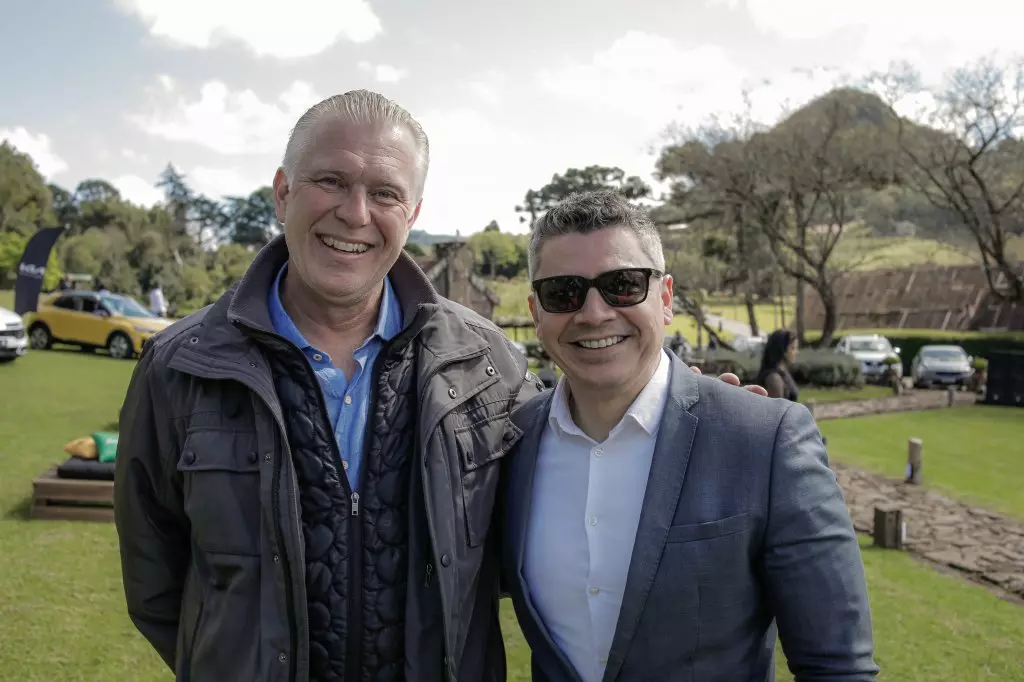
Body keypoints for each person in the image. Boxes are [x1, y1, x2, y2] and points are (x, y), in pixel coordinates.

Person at [113, 90, 759, 682]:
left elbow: (583, 464)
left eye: (385, 192)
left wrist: (684, 416)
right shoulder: (181, 366)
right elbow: (157, 584)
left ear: (412, 211)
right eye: (330, 180)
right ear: (282, 192)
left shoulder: (487, 363)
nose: (355, 213)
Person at [500, 190, 877, 681]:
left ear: (666, 298)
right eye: (563, 292)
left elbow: (837, 666)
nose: (593, 313)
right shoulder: (509, 444)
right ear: (536, 311)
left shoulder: (765, 439)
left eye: (623, 284)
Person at [757, 328, 801, 401]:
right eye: (793, 348)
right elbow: (776, 410)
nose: (796, 352)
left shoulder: (783, 371)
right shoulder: (774, 379)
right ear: (782, 350)